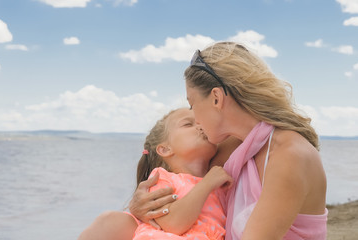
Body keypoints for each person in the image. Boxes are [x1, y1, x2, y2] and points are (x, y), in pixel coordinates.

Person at [79, 41, 328, 240]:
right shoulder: (230, 148)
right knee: (111, 223)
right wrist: (139, 207)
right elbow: (181, 187)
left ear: (217, 99)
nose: (196, 119)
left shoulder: (289, 155)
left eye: (192, 104)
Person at [79, 108, 234, 240]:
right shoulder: (162, 178)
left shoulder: (220, 182)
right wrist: (207, 183)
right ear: (165, 149)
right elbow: (172, 224)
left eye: (201, 122)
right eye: (188, 124)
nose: (200, 126)